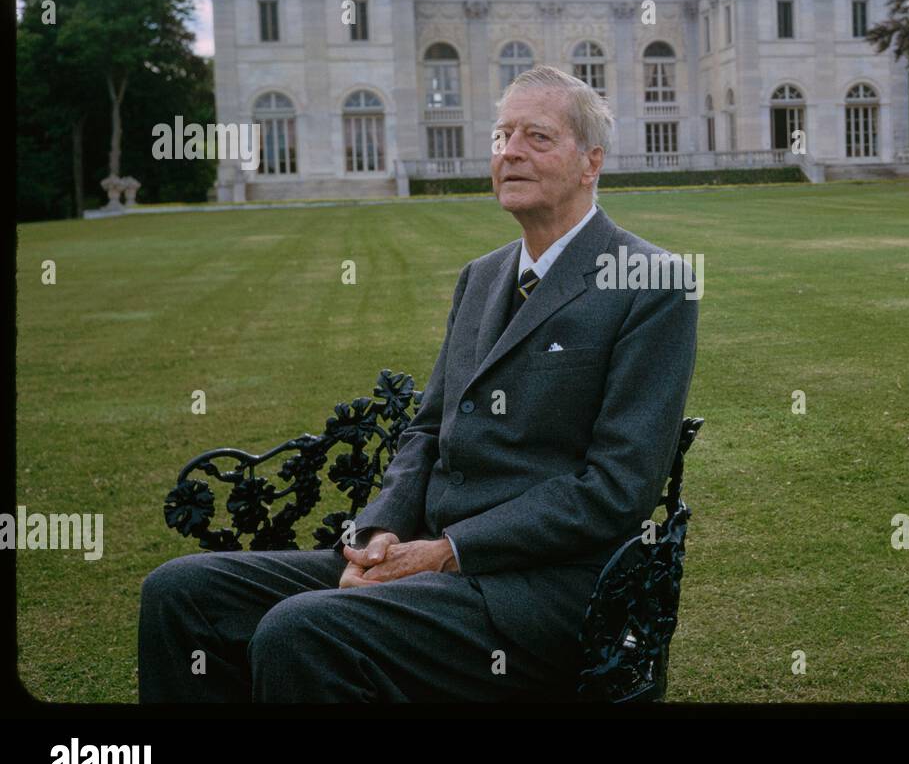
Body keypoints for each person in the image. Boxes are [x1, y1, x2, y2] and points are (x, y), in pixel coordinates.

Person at [138, 65, 699, 702]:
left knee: (302, 631)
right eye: (501, 135)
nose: (509, 151)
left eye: (536, 137)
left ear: (590, 162)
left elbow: (615, 490)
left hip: (533, 594)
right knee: (180, 594)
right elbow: (427, 431)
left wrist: (447, 551)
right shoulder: (482, 277)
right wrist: (375, 537)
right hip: (418, 558)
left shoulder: (651, 282)